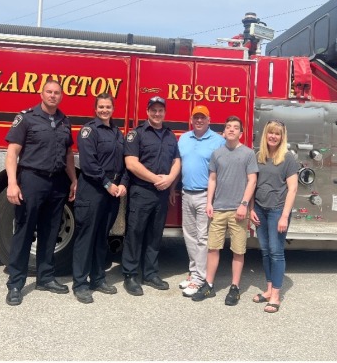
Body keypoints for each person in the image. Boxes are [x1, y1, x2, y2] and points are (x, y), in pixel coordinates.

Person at [4, 79, 78, 306]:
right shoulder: (26, 118)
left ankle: (45, 277)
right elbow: (12, 152)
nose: (53, 95)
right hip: (32, 180)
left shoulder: (65, 121)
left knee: (50, 231)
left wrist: (73, 180)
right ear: (41, 93)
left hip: (57, 182)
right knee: (24, 232)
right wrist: (12, 183)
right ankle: (16, 284)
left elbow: (67, 155)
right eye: (49, 91)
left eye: (57, 92)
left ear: (61, 95)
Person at [191, 116, 258, 306]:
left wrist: (244, 204)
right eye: (228, 127)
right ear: (223, 132)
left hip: (238, 210)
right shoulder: (217, 154)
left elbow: (252, 180)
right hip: (218, 210)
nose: (231, 130)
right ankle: (209, 285)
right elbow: (212, 179)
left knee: (238, 251)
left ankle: (234, 288)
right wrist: (209, 203)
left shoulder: (248, 153)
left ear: (241, 133)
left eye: (235, 128)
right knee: (213, 248)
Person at [72, 93, 129, 304]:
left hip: (112, 192)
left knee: (101, 237)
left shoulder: (117, 133)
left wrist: (123, 183)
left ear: (113, 109)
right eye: (101, 107)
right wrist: (108, 184)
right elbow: (88, 164)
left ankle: (97, 278)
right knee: (86, 238)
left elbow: (124, 162)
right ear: (95, 109)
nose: (104, 110)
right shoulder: (89, 131)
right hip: (94, 190)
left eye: (108, 107)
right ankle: (80, 284)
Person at [121, 96, 181, 296]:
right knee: (135, 233)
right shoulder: (137, 134)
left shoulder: (170, 135)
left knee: (155, 235)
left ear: (165, 112)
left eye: (160, 110)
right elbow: (131, 163)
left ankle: (150, 273)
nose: (157, 114)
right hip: (141, 191)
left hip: (161, 193)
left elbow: (177, 160)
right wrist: (156, 178)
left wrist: (171, 178)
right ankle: (130, 275)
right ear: (147, 112)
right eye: (153, 110)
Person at [174, 105, 225, 297]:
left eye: (203, 117)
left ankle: (199, 279)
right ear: (191, 119)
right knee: (189, 236)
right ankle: (193, 273)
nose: (199, 120)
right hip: (186, 193)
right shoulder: (184, 138)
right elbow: (177, 165)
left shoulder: (218, 141)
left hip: (205, 195)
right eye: (196, 117)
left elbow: (222, 170)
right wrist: (173, 188)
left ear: (209, 120)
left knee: (203, 238)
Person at [249, 119, 298, 313]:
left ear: (282, 137)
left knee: (276, 253)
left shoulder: (288, 158)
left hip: (278, 210)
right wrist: (252, 208)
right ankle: (268, 289)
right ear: (265, 134)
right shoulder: (258, 156)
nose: (273, 136)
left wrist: (284, 216)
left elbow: (293, 189)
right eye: (270, 132)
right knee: (265, 251)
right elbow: (252, 184)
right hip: (260, 208)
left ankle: (276, 296)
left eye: (277, 133)